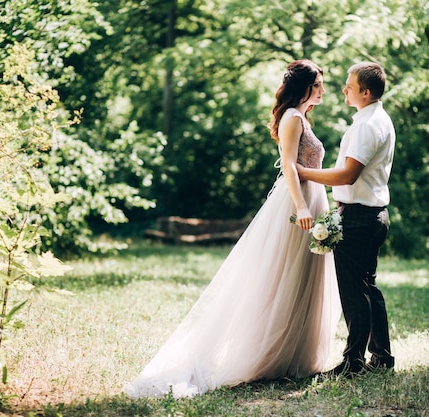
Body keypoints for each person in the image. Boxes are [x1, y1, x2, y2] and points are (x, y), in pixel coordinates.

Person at [123, 59, 341, 399]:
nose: (323, 90)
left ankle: (295, 355)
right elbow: (288, 165)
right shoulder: (292, 118)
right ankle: (269, 353)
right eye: (318, 85)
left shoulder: (303, 116)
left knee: (304, 277)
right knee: (284, 275)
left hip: (314, 199)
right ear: (305, 87)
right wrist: (301, 206)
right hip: (297, 201)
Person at [297, 61, 396, 378]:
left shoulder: (367, 126)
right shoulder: (377, 118)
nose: (343, 89)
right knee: (368, 288)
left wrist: (304, 172)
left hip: (358, 217)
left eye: (350, 86)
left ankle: (353, 363)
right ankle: (381, 358)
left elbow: (348, 175)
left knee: (354, 292)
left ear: (365, 93)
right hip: (374, 214)